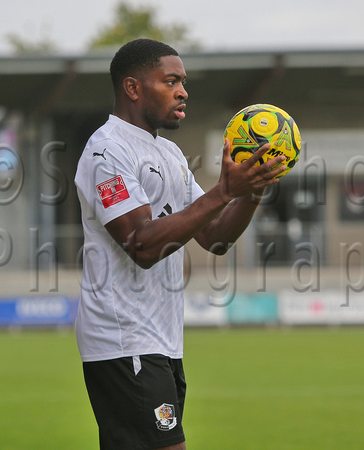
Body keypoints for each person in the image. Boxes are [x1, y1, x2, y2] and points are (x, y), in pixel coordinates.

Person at [74, 38, 286, 450]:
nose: (183, 91)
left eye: (183, 82)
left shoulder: (169, 153)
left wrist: (252, 189)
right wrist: (224, 191)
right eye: (171, 81)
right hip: (124, 340)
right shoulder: (107, 152)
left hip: (162, 340)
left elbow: (216, 237)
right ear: (133, 88)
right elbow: (142, 245)